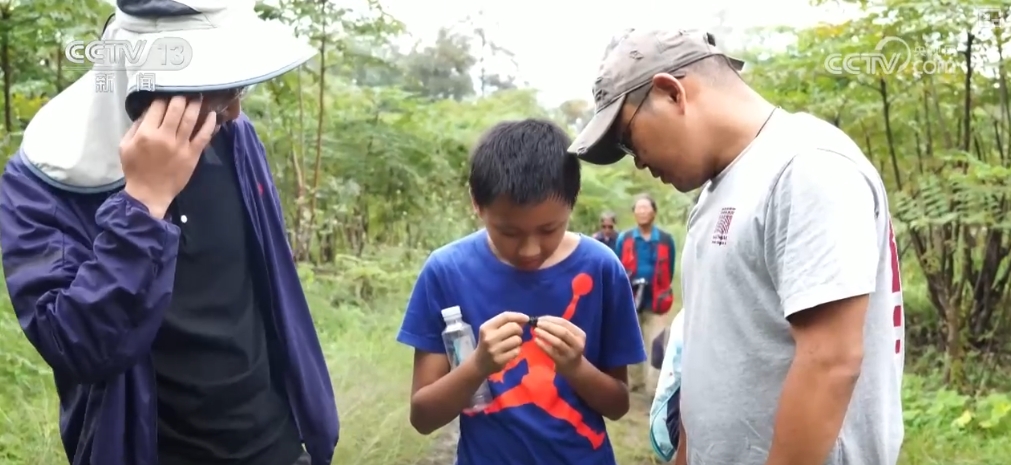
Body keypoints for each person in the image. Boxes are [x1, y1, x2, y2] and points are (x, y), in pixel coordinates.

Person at [0, 2, 339, 465]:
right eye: (218, 89)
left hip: (276, 447)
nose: (235, 108)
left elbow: (271, 293)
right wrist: (142, 205)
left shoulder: (235, 137)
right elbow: (76, 345)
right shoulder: (46, 180)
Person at [569, 28, 905, 465]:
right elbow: (708, 352)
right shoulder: (717, 192)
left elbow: (830, 363)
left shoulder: (806, 168)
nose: (639, 160)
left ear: (671, 93)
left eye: (630, 140)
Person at [396, 119, 646, 465]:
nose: (530, 250)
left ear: (572, 204)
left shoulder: (602, 268)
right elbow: (423, 416)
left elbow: (618, 405)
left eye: (549, 229)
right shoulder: (446, 271)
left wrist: (576, 367)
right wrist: (478, 365)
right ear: (476, 204)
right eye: (509, 232)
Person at [613, 194, 676, 393]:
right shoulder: (626, 238)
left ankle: (654, 387)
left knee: (657, 343)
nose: (642, 212)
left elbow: (670, 268)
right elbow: (618, 266)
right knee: (632, 339)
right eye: (638, 208)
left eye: (645, 208)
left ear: (654, 212)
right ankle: (634, 381)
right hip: (631, 297)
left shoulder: (666, 240)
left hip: (657, 300)